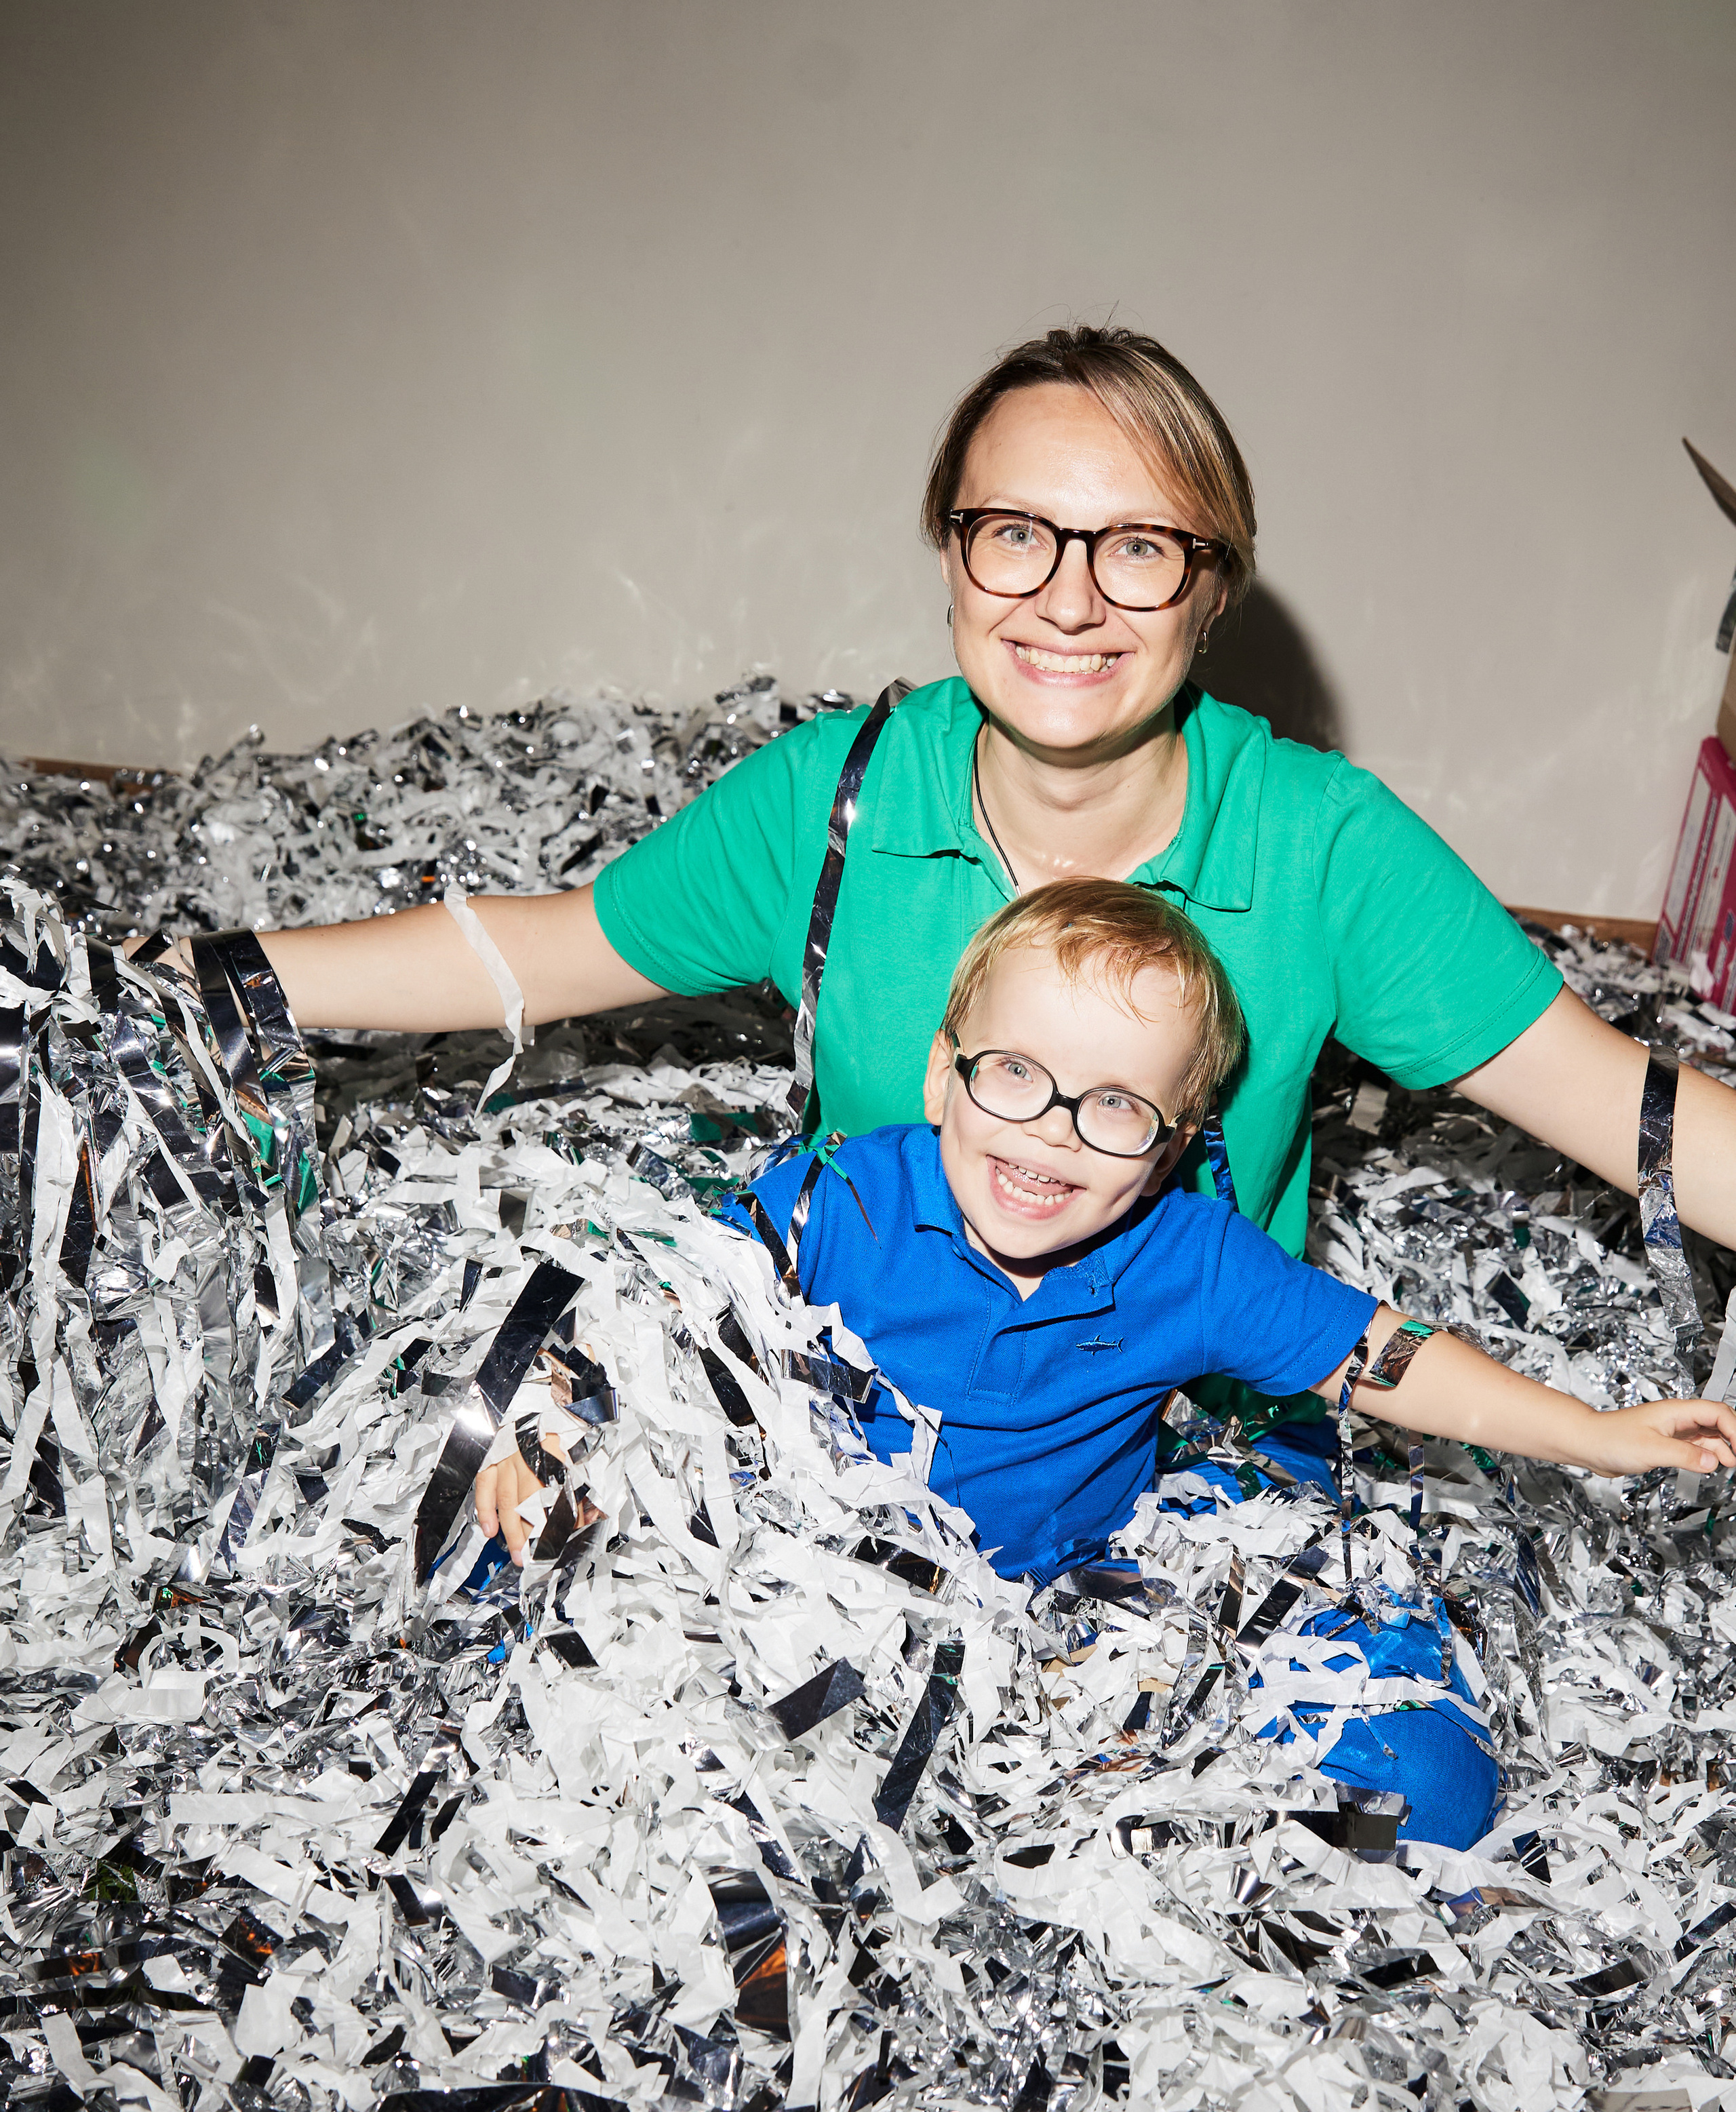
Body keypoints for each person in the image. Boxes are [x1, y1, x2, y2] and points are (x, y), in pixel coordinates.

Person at [214, 321, 1736, 1279]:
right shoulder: (838, 802)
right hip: (857, 1408)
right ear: (948, 552)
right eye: (1015, 533)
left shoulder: (1320, 845)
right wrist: (189, 989)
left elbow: (1633, 1111)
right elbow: (538, 951)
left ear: (1212, 592)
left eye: (1138, 546)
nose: (1068, 600)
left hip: (1185, 1449)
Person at [480, 885, 1736, 1850]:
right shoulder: (839, 1200)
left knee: (1434, 1788)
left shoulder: (1193, 1260)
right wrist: (549, 1418)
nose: (1048, 1134)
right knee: (548, 1621)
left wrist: (1592, 1430)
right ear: (940, 1075)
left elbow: (1386, 1358)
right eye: (1015, 1076)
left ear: (1174, 1147)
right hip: (807, 1592)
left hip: (1076, 1603)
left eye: (1116, 1107)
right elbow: (651, 1304)